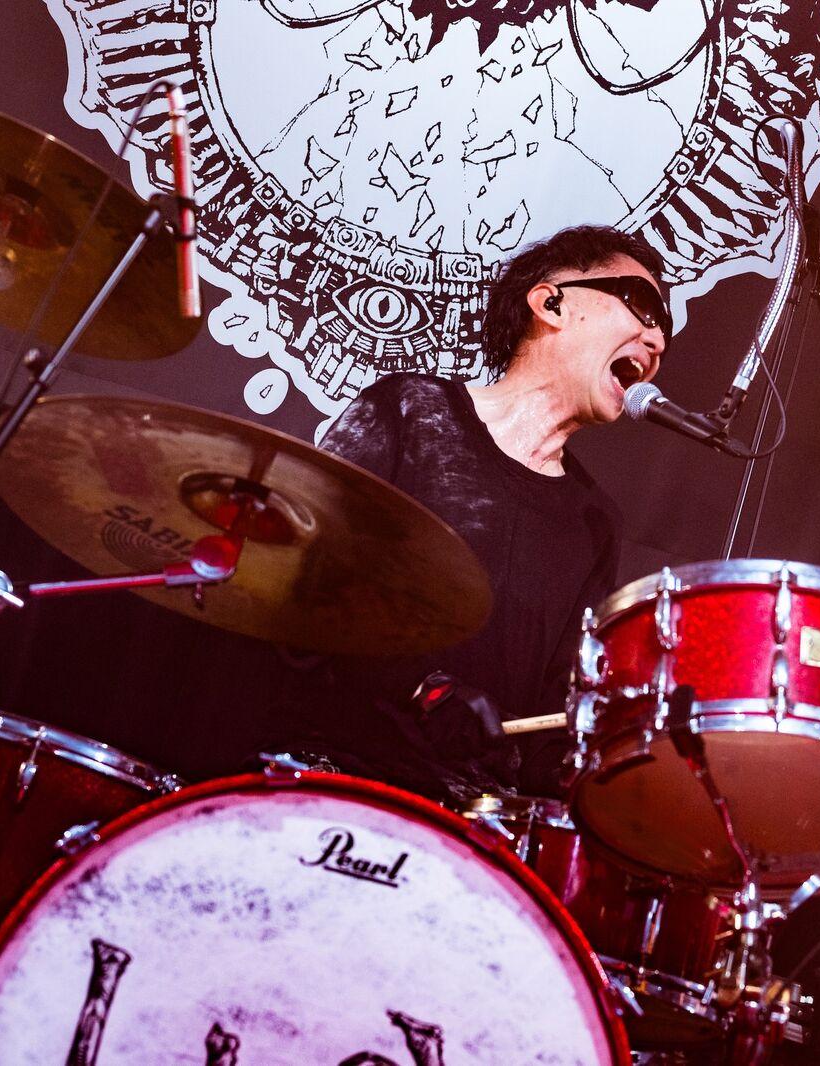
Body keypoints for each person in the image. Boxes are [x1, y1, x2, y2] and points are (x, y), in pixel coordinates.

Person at [267, 225, 670, 801]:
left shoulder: (594, 523)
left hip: (469, 823)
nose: (657, 341)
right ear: (551, 303)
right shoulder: (410, 412)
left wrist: (620, 759)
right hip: (324, 779)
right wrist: (421, 689)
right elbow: (300, 582)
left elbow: (549, 731)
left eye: (664, 328)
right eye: (643, 306)